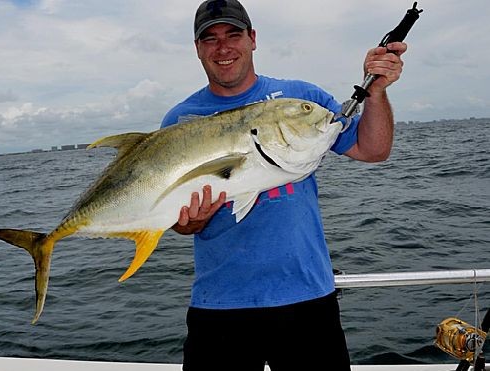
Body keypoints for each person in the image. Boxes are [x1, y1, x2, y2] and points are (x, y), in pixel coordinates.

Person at [161, 1, 407, 370]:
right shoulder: (180, 120)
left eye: (233, 34)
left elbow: (372, 150)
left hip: (307, 301)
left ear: (253, 39)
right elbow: (178, 220)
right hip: (220, 306)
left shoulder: (301, 99)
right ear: (198, 49)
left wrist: (377, 93)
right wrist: (191, 221)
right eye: (209, 39)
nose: (223, 47)